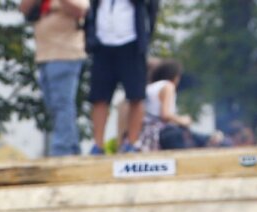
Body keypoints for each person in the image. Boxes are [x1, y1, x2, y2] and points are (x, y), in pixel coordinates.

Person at [85, 0, 159, 155]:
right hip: (103, 41)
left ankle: (132, 143)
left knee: (136, 95)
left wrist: (146, 38)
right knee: (99, 97)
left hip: (130, 40)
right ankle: (98, 145)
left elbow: (151, 9)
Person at [22, 0, 88, 157]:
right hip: (44, 55)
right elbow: (24, 9)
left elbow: (82, 10)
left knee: (62, 103)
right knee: (53, 105)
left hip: (65, 53)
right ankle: (71, 147)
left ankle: (62, 149)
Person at [138, 60, 194, 151]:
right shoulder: (168, 86)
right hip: (160, 133)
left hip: (145, 134)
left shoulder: (150, 87)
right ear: (174, 76)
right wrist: (183, 120)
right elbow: (165, 115)